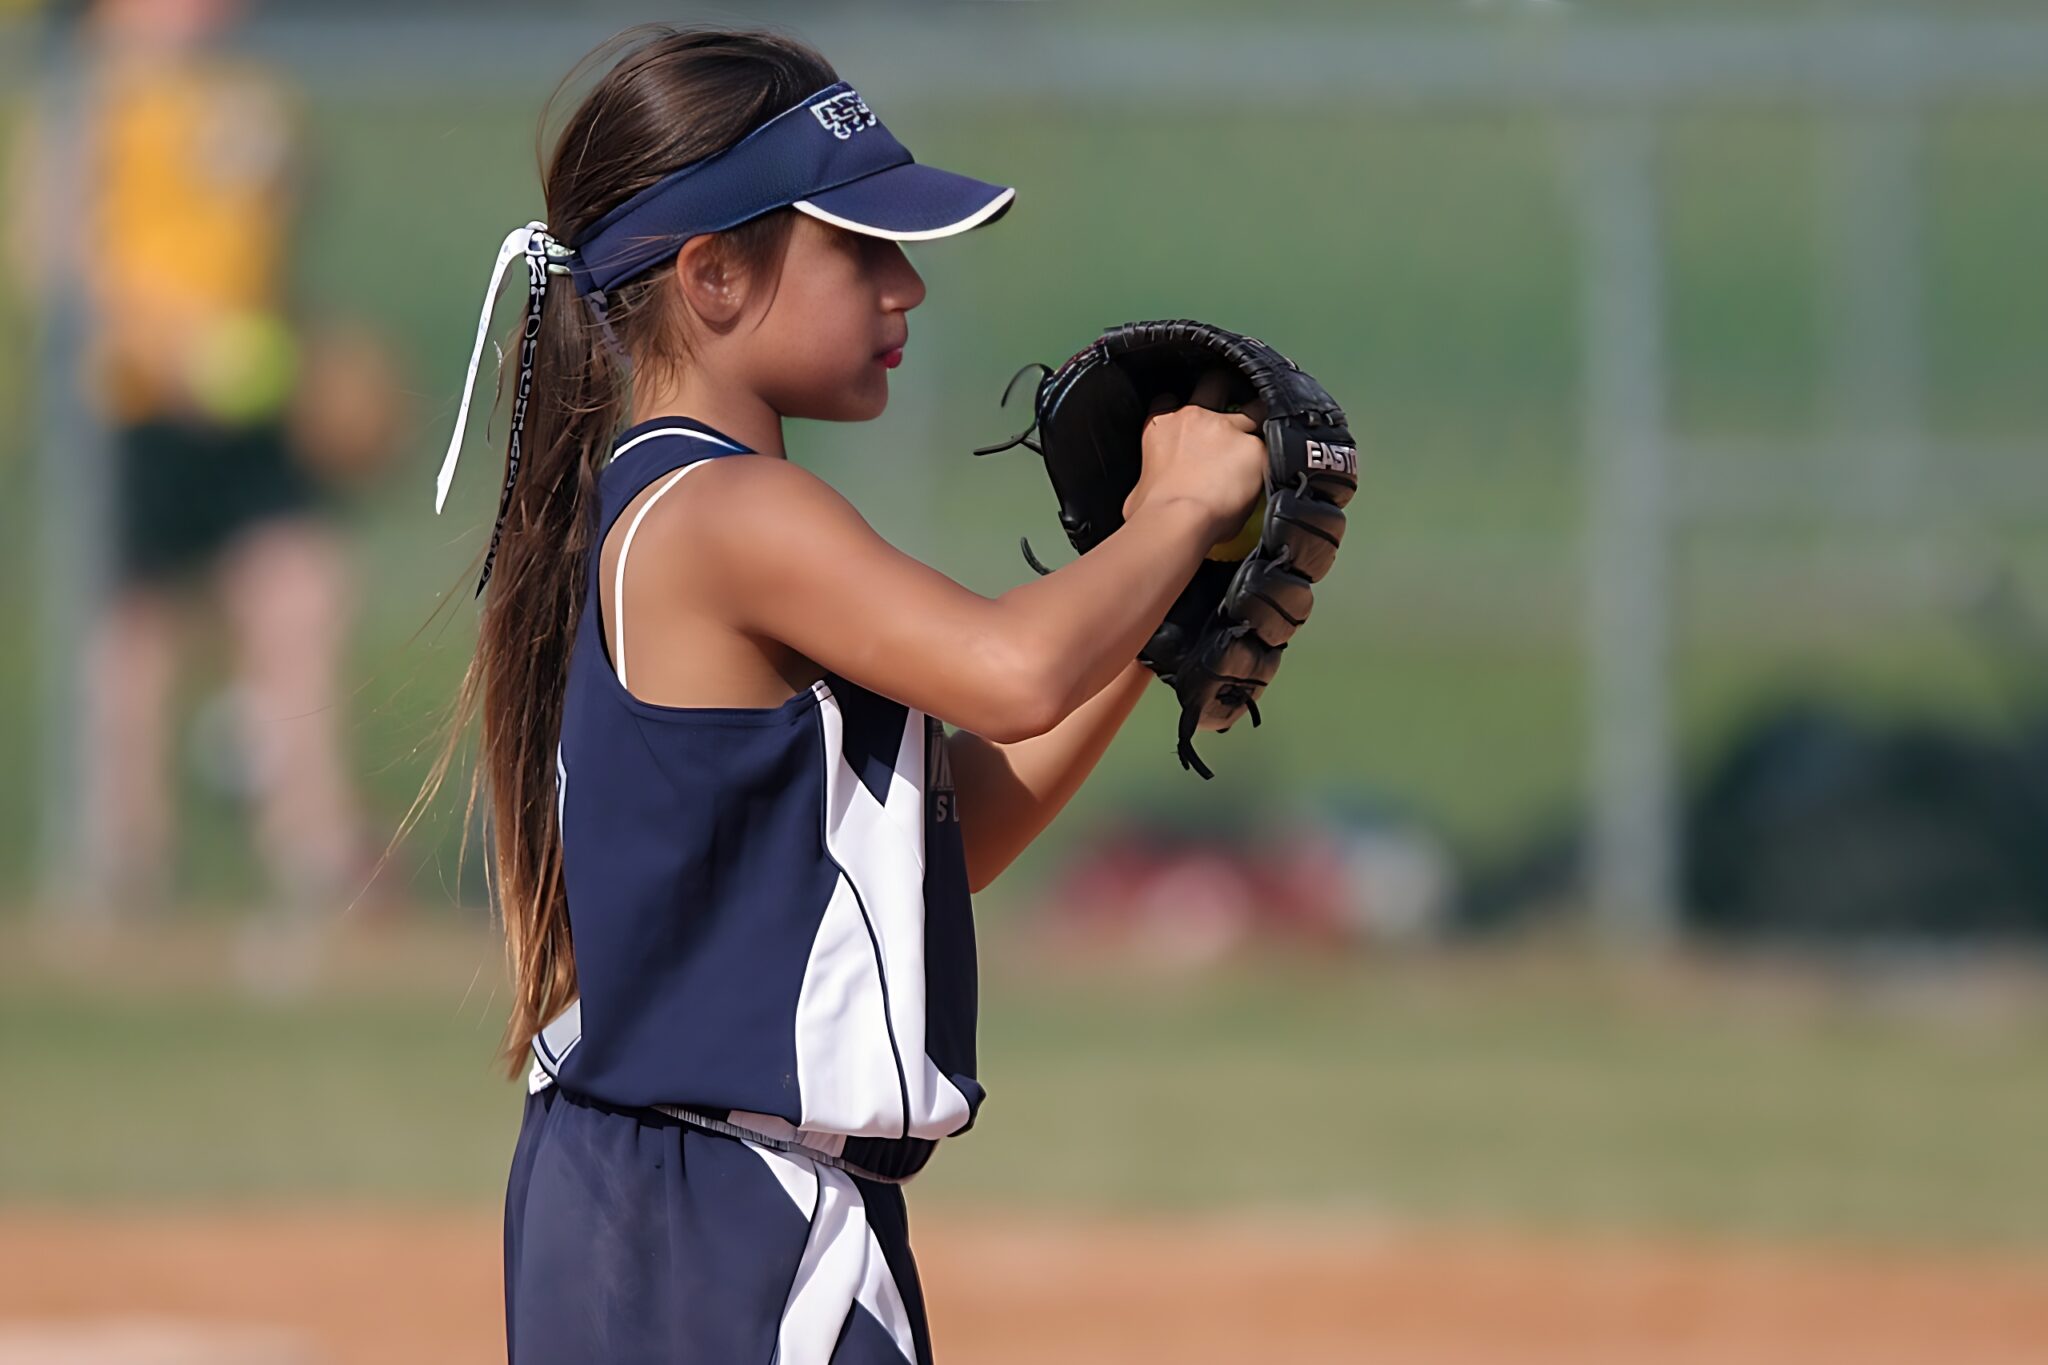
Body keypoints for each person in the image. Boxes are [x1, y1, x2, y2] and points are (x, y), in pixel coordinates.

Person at [418, 24, 1267, 1364]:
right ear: (710, 276)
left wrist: (1155, 602)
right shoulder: (728, 511)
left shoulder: (689, 505)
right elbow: (1013, 669)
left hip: (703, 1209)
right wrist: (1174, 512)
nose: (903, 290)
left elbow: (954, 830)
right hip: (717, 1225)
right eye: (858, 249)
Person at [38, 0, 375, 932]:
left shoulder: (250, 93)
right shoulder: (87, 93)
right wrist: (176, 343)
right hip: (129, 407)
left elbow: (268, 251)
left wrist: (305, 351)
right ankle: (122, 863)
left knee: (301, 594)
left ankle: (313, 851)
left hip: (248, 405)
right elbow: (59, 260)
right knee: (131, 640)